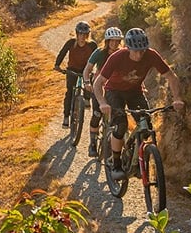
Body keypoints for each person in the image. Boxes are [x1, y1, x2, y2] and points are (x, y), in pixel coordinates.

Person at [97, 28, 183, 174]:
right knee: (121, 124)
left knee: (146, 126)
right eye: (135, 51)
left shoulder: (151, 55)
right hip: (114, 91)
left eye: (142, 50)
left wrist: (177, 98)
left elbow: (171, 77)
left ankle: (137, 159)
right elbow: (98, 83)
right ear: (128, 48)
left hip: (135, 91)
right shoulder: (117, 57)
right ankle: (116, 164)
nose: (139, 54)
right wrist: (102, 103)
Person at [81, 26, 124, 157]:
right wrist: (87, 82)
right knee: (97, 114)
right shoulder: (99, 53)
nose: (114, 43)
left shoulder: (123, 54)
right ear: (107, 41)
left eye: (117, 41)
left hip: (114, 88)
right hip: (99, 87)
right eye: (112, 41)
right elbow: (87, 70)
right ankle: (93, 143)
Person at [53, 21, 97, 129]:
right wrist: (57, 65)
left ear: (88, 35)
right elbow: (62, 53)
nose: (82, 37)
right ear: (76, 34)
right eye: (80, 34)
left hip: (85, 69)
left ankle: (86, 99)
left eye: (85, 34)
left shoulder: (92, 45)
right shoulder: (71, 43)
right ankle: (66, 117)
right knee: (69, 93)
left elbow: (98, 57)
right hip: (72, 69)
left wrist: (98, 70)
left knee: (89, 81)